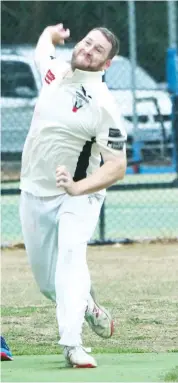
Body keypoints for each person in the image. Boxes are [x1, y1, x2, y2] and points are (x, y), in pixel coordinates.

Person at [19, 23, 127, 368]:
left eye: (98, 51)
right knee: (48, 283)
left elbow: (117, 165)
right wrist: (49, 34)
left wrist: (78, 188)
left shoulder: (104, 104)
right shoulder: (54, 72)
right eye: (87, 43)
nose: (88, 50)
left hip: (78, 194)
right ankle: (87, 305)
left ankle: (72, 344)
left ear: (107, 63)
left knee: (70, 257)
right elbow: (42, 51)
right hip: (34, 191)